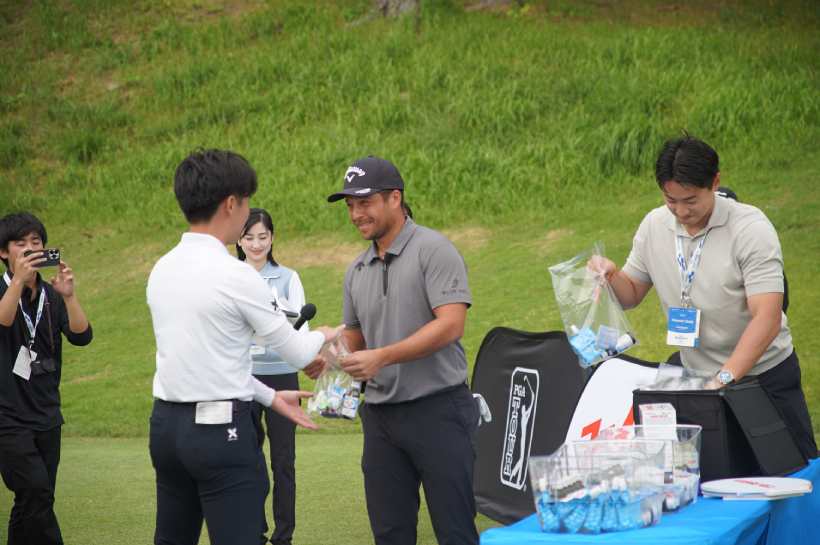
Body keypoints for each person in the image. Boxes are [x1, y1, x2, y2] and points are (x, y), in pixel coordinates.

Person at [146, 149, 336, 545]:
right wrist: (327, 333)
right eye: (247, 202)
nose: (248, 213)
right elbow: (300, 353)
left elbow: (206, 364)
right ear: (231, 204)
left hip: (165, 429)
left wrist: (269, 397)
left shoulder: (161, 269)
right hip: (218, 433)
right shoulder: (237, 275)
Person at [595, 136, 816, 459]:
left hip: (763, 378)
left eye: (690, 200)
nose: (681, 211)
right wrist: (611, 276)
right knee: (714, 475)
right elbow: (630, 294)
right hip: (698, 381)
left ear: (714, 182)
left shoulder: (750, 229)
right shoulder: (654, 226)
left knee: (792, 472)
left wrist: (723, 379)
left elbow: (767, 318)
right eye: (671, 200)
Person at [327, 156, 479, 545]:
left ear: (395, 198)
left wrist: (383, 356)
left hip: (439, 410)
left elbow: (451, 324)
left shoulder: (434, 249)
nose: (356, 214)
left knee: (456, 532)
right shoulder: (357, 270)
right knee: (390, 534)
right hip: (380, 419)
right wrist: (327, 356)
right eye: (350, 205)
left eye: (365, 202)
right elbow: (356, 339)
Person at [0, 212, 93, 545]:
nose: (30, 249)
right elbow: (3, 320)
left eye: (35, 242)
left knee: (34, 499)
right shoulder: (3, 291)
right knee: (35, 491)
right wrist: (17, 282)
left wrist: (69, 295)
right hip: (7, 417)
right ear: (3, 252)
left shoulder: (50, 295)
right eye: (20, 244)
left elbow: (82, 336)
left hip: (47, 413)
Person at [236, 208, 305, 545]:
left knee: (283, 462)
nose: (256, 244)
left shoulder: (289, 278)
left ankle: (283, 536)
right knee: (246, 459)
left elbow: (300, 328)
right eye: (249, 237)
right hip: (241, 379)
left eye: (262, 236)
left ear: (272, 238)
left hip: (283, 377)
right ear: (239, 240)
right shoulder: (230, 277)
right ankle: (254, 530)